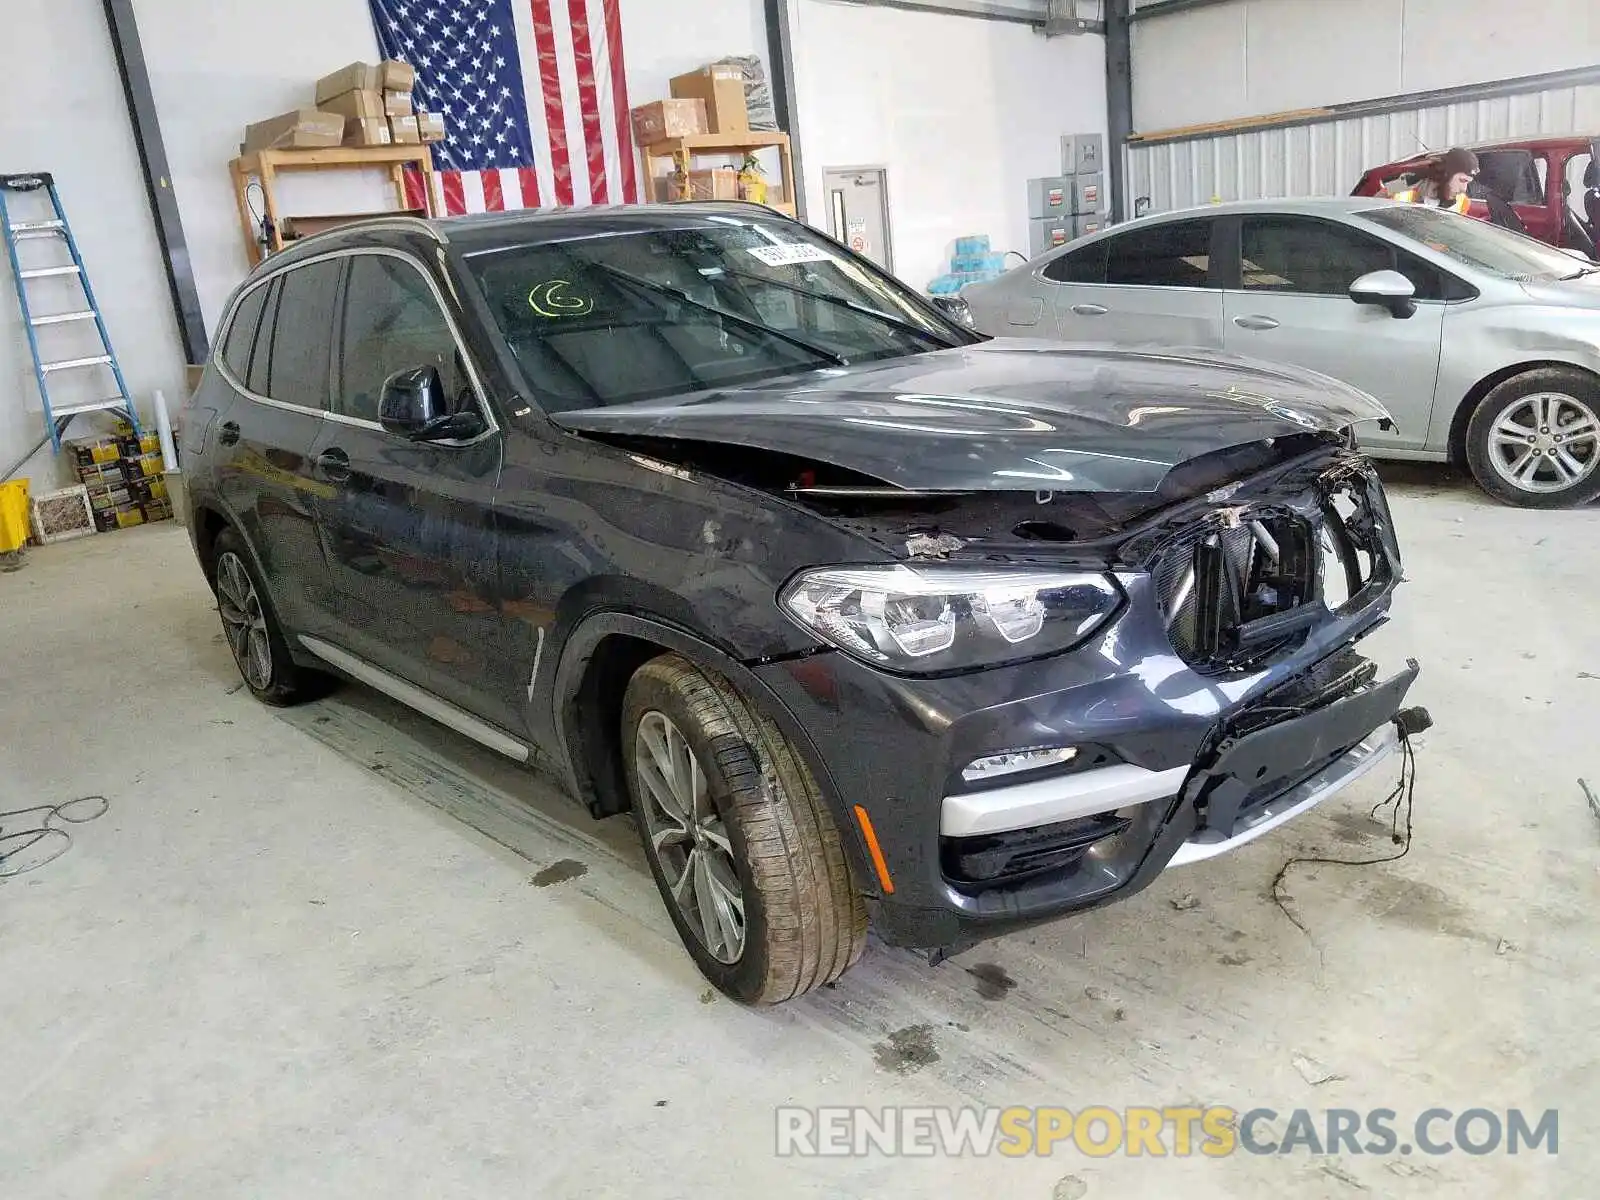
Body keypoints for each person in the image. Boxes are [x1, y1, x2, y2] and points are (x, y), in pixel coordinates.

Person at [1386, 147, 1478, 214]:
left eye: (1467, 182)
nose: (1464, 189)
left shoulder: (1462, 202)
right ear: (1446, 174)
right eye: (1462, 180)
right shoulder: (1405, 185)